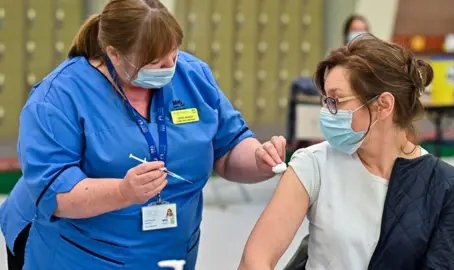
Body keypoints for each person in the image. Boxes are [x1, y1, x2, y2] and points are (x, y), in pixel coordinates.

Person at [0, 1, 286, 269]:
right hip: (77, 253)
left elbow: (229, 146)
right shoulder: (59, 97)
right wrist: (123, 193)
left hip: (169, 251)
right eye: (155, 63)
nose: (169, 69)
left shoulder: (192, 75)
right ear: (113, 53)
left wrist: (259, 160)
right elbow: (54, 192)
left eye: (172, 55)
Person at [238, 34, 454, 270]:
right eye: (326, 100)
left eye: (336, 101)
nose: (327, 111)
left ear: (383, 105)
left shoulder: (447, 187)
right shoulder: (313, 164)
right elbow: (255, 260)